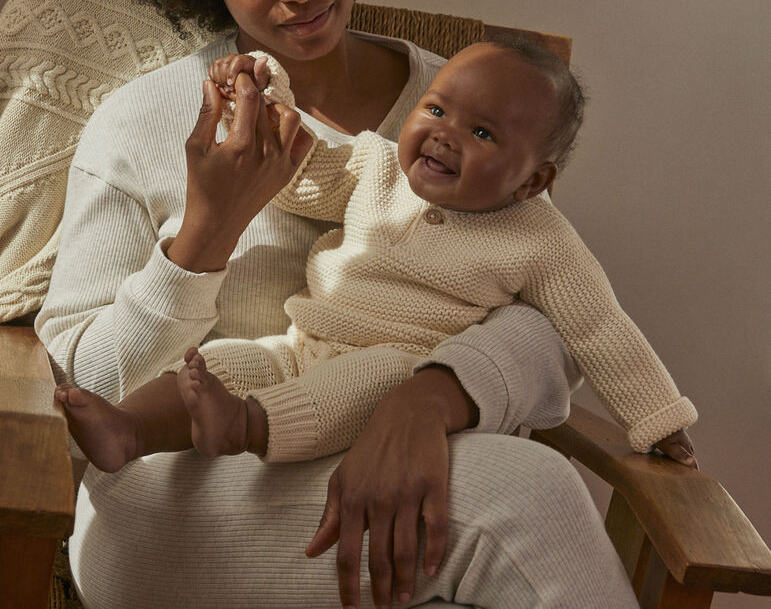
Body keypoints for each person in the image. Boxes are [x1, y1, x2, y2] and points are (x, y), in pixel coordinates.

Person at [36, 0, 651, 609]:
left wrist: (429, 399)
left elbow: (552, 320)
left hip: (393, 456)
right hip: (176, 492)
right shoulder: (139, 125)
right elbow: (73, 393)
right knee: (524, 499)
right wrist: (201, 238)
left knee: (508, 492)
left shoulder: (460, 110)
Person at [55, 41, 696, 475]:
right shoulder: (378, 166)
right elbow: (299, 167)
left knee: (362, 384)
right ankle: (130, 431)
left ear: (532, 181)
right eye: (437, 109)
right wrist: (265, 90)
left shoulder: (541, 238)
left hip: (403, 370)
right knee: (214, 367)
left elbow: (599, 329)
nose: (444, 133)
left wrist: (657, 419)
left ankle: (244, 427)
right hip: (300, 344)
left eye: (482, 133)